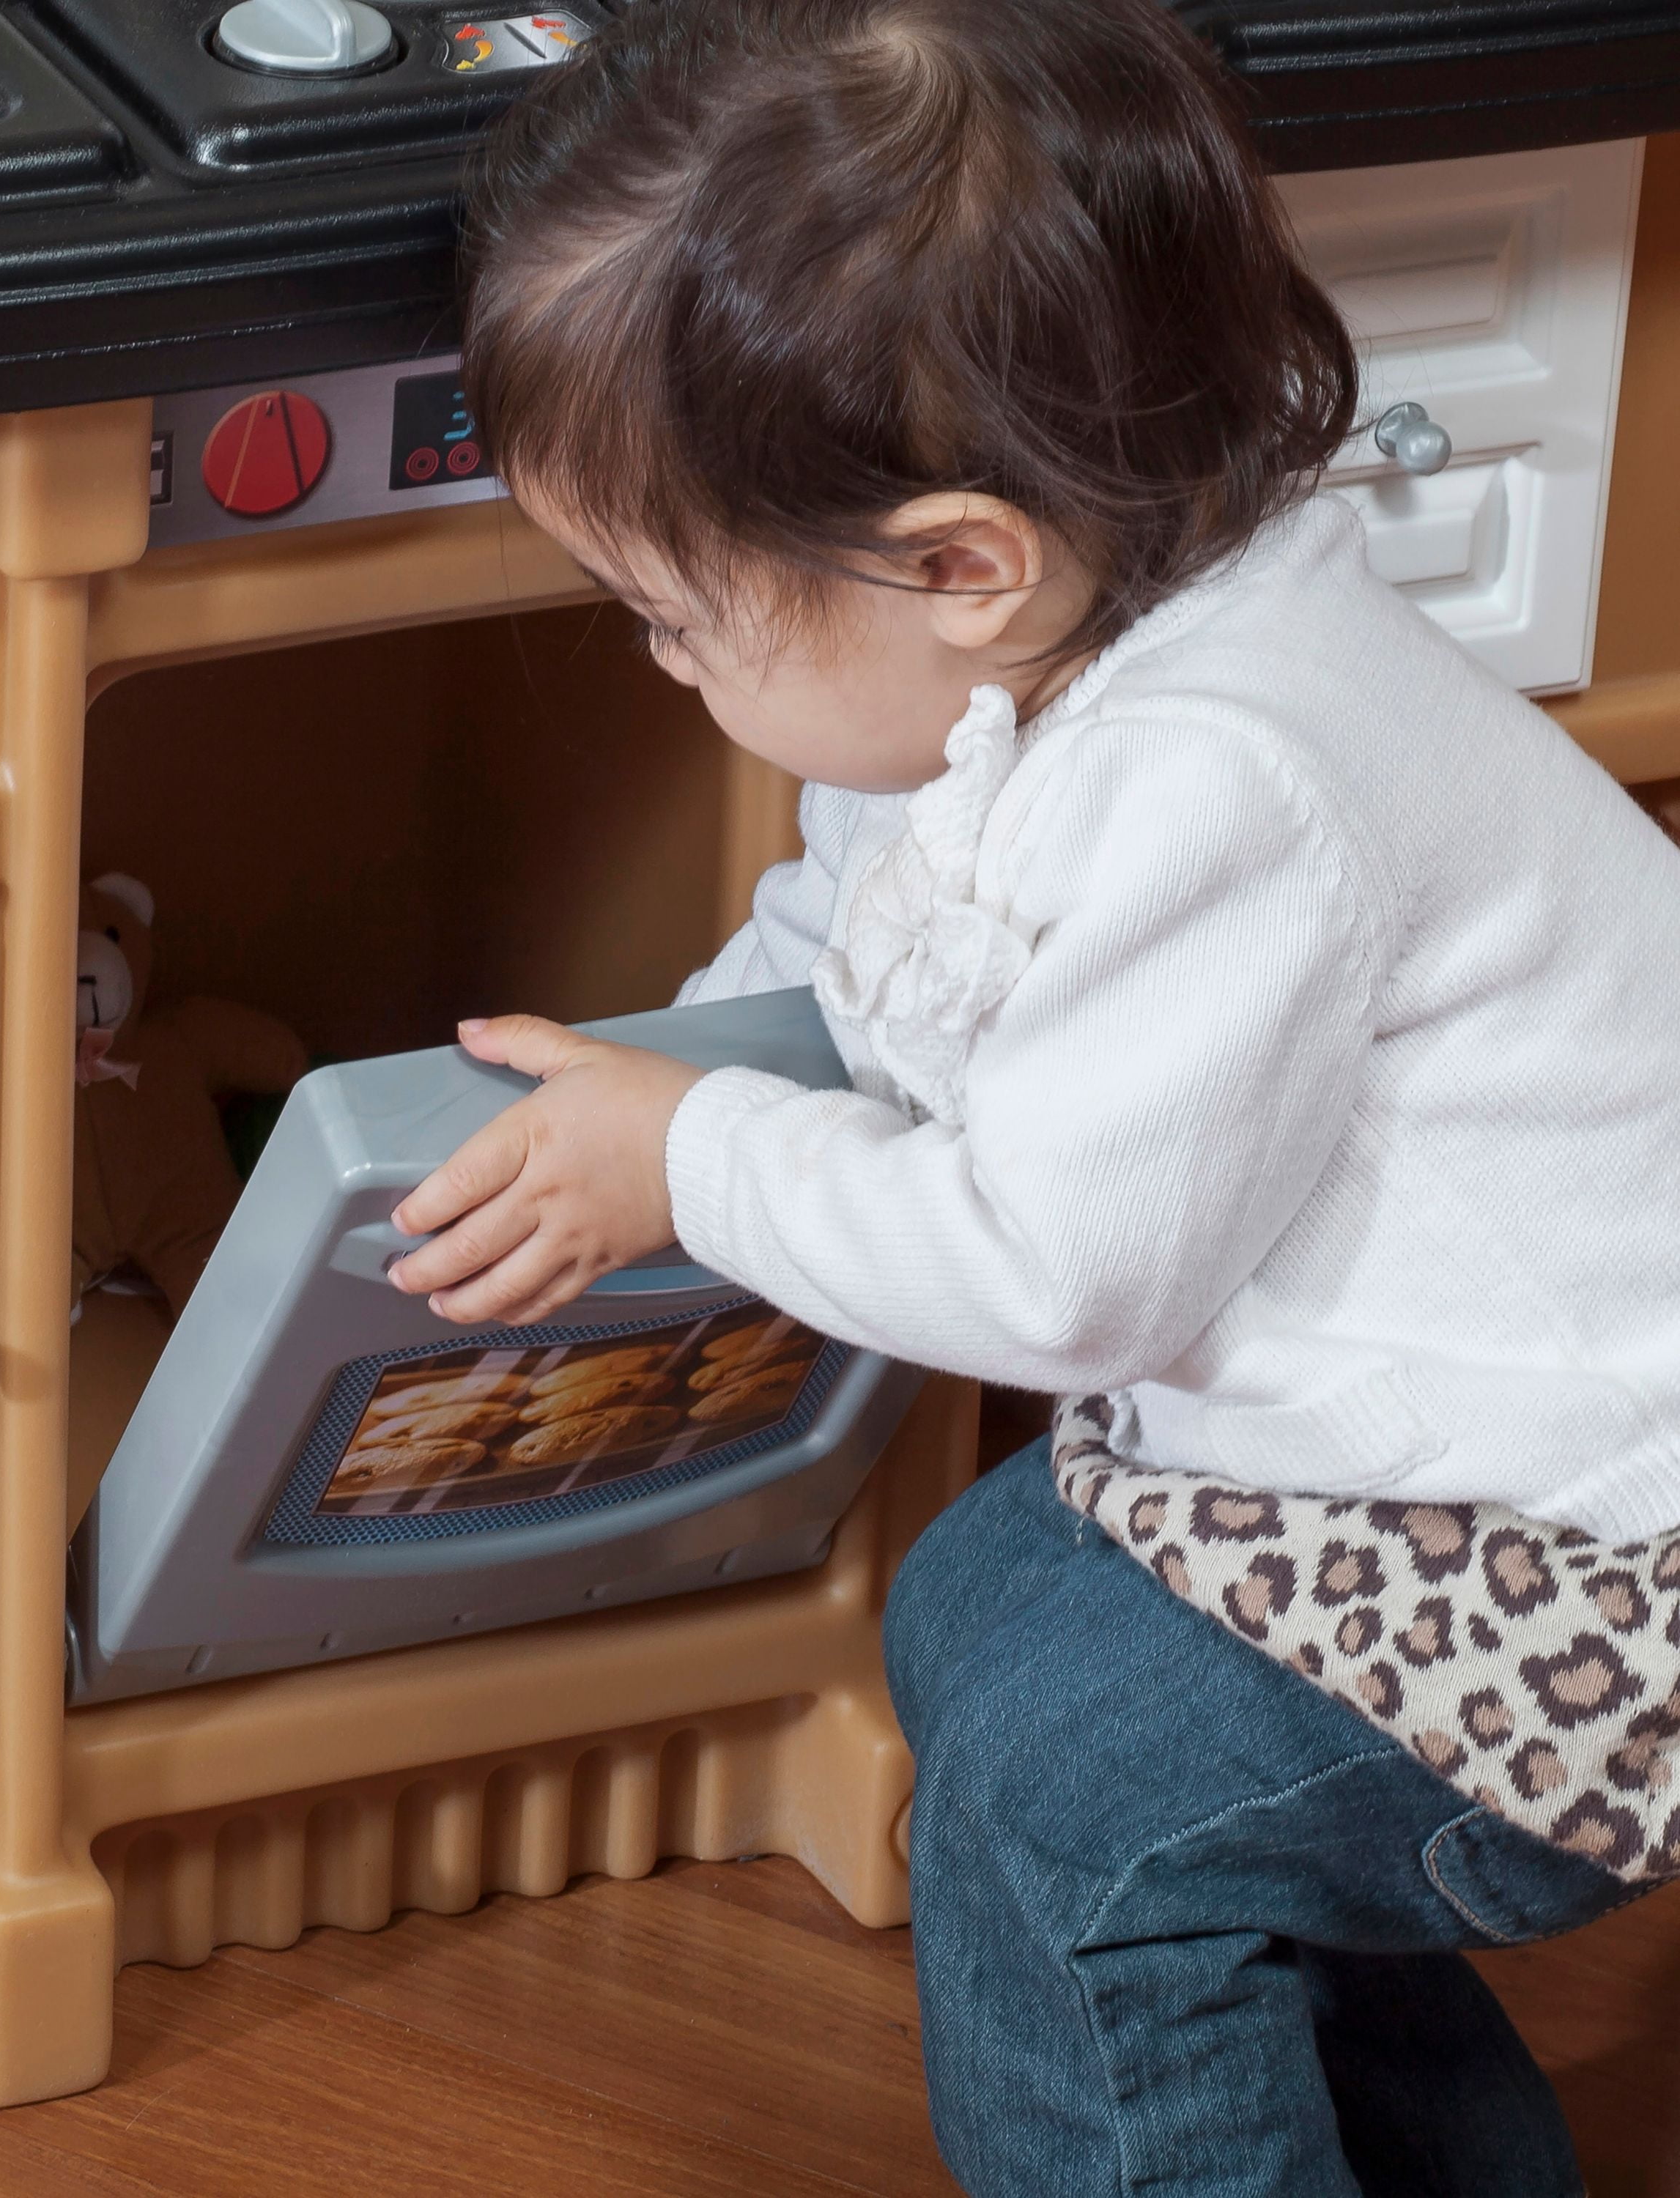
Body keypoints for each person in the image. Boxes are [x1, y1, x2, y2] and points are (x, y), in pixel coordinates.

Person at [383, 0, 1680, 2186]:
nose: (662, 665)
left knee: (1080, 1808)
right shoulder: (1021, 664)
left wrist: (694, 1160)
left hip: (1601, 1564)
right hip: (1431, 1460)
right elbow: (860, 945)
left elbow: (1051, 1278)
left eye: (674, 620)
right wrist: (647, 1091)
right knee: (986, 1607)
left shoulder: (1225, 784)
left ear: (959, 564)